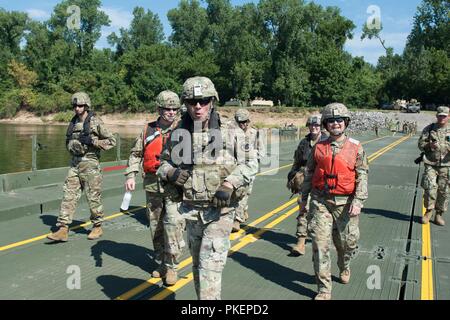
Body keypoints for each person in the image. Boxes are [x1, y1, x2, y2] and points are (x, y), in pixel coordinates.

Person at [157, 76, 258, 300]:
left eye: (203, 101)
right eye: (192, 102)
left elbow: (251, 162)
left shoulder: (231, 132)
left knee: (209, 269)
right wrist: (171, 173)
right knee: (197, 268)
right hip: (191, 212)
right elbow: (162, 164)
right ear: (186, 104)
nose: (198, 106)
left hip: (220, 212)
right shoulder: (178, 133)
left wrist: (230, 183)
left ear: (212, 101)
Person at [300, 102, 369, 300]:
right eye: (330, 121)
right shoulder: (318, 146)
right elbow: (309, 173)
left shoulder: (356, 147)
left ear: (346, 122)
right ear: (325, 124)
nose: (335, 124)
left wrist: (358, 201)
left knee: (348, 243)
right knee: (320, 245)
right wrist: (303, 199)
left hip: (346, 202)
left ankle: (344, 265)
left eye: (339, 120)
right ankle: (324, 289)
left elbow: (362, 174)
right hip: (321, 200)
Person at [124, 90, 185, 286]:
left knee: (173, 225)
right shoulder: (148, 130)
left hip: (175, 186)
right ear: (159, 109)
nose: (171, 112)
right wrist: (131, 175)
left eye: (174, 109)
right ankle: (161, 263)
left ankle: (173, 267)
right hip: (152, 185)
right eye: (167, 109)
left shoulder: (184, 129)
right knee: (156, 226)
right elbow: (135, 154)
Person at [47, 92, 116, 242]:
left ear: (86, 106)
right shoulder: (73, 122)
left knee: (93, 196)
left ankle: (97, 226)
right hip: (75, 163)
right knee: (68, 195)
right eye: (75, 106)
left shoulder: (95, 122)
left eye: (80, 105)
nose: (77, 108)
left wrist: (94, 142)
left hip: (90, 164)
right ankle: (63, 228)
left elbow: (112, 141)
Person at [287, 115, 327, 255]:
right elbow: (297, 161)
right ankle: (301, 241)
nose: (314, 127)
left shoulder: (327, 141)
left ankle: (323, 237)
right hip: (305, 180)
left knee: (322, 213)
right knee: (303, 207)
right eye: (311, 125)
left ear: (321, 126)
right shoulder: (304, 142)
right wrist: (292, 175)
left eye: (316, 125)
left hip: (323, 182)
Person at [231, 108, 264, 232]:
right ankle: (242, 211)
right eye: (239, 122)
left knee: (244, 193)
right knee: (235, 193)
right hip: (235, 167)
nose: (242, 125)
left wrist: (251, 156)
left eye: (245, 122)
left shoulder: (255, 133)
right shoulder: (231, 133)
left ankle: (237, 220)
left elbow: (261, 152)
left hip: (249, 167)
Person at [418, 106, 450, 226]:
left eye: (444, 116)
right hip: (431, 163)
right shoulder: (429, 129)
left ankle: (439, 214)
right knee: (430, 189)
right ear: (436, 116)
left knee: (444, 191)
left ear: (448, 117)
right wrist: (429, 145)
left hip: (447, 165)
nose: (442, 118)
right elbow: (420, 144)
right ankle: (428, 211)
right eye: (440, 115)